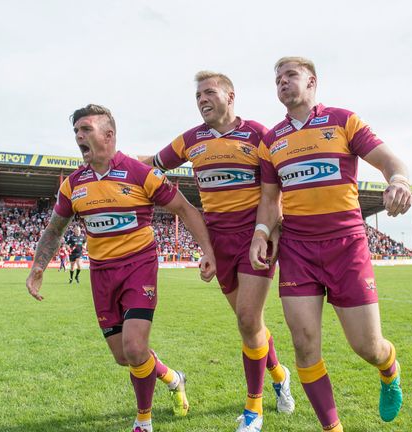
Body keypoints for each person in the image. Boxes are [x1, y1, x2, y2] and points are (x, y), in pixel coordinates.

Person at [26, 104, 217, 432]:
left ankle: (143, 420)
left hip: (138, 268)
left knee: (134, 347)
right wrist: (38, 266)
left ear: (109, 135)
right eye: (76, 132)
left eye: (85, 129)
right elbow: (55, 228)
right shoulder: (73, 185)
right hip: (101, 274)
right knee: (124, 356)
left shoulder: (140, 173)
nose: (78, 137)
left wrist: (208, 251)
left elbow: (185, 209)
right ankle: (173, 377)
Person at [250, 56, 412, 431]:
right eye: (277, 79)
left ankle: (389, 368)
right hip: (297, 250)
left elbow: (390, 161)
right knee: (305, 345)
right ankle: (332, 428)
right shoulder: (271, 140)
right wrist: (261, 233)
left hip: (346, 246)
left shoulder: (343, 121)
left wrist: (399, 181)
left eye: (290, 75)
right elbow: (270, 200)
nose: (282, 83)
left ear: (312, 82)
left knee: (366, 347)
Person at [142, 71, 295, 432]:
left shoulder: (258, 134)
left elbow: (276, 189)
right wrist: (109, 159)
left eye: (209, 93)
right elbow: (152, 163)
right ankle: (279, 373)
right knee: (250, 323)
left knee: (246, 319)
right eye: (197, 96)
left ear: (230, 95)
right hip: (219, 242)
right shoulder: (190, 140)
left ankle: (253, 410)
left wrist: (270, 228)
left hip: (256, 238)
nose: (202, 100)